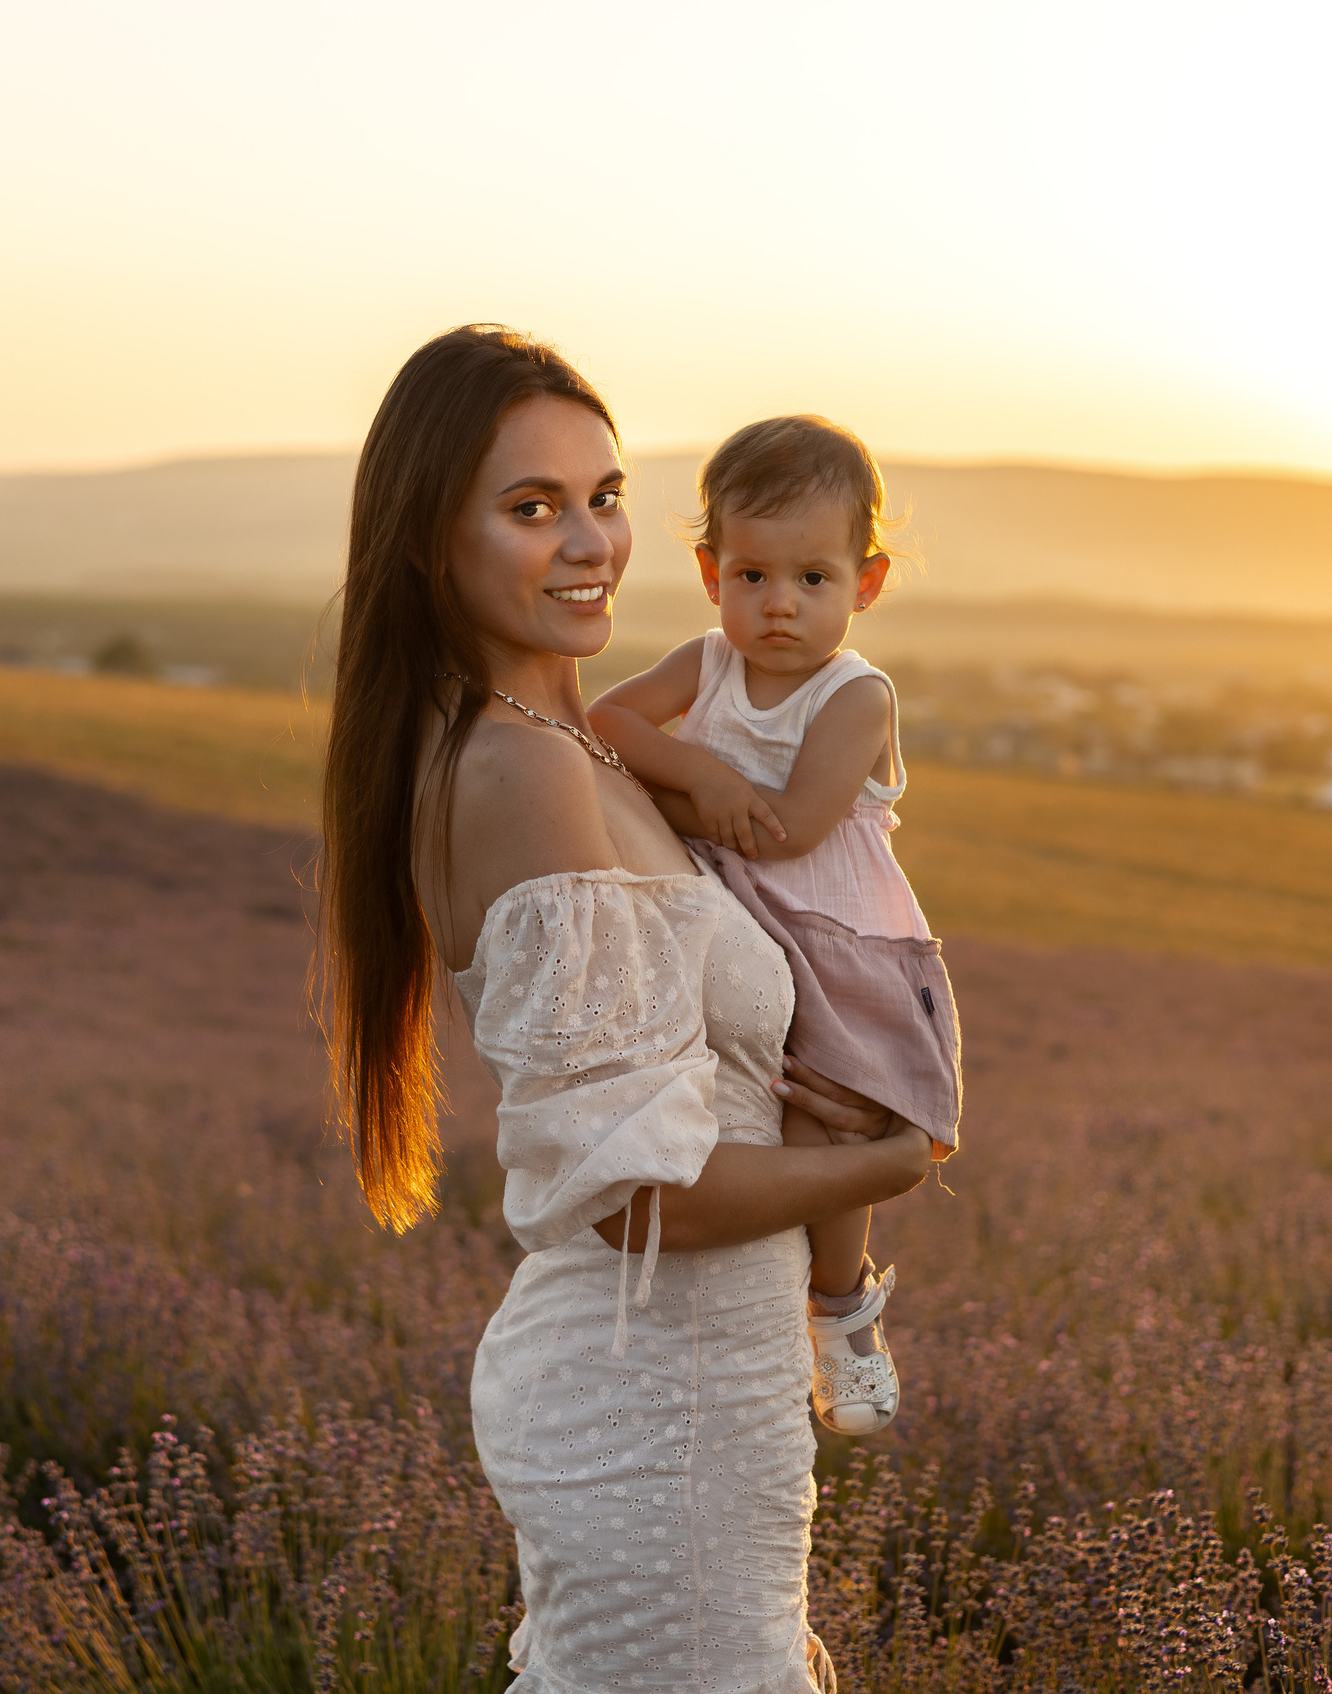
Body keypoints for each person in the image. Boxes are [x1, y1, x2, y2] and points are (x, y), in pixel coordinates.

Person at [321, 325, 934, 1693]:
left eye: (603, 495)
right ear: (435, 541)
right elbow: (635, 1193)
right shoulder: (521, 772)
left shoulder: (582, 749)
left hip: (707, 1391)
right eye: (533, 507)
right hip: (657, 1404)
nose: (591, 539)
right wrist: (886, 1161)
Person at [590, 416, 963, 1438]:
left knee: (827, 1113)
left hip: (837, 939)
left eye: (812, 579)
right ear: (711, 574)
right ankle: (730, 1308)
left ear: (866, 583)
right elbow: (602, 726)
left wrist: (664, 797)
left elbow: (791, 832)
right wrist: (702, 773)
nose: (779, 606)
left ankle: (840, 1311)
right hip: (731, 911)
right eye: (752, 576)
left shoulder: (855, 696)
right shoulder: (706, 663)